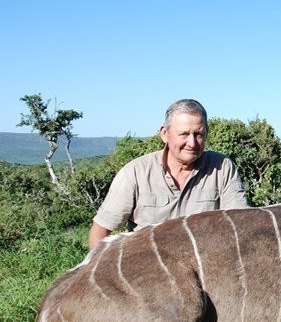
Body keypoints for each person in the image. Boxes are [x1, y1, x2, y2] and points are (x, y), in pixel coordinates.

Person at [88, 99, 248, 249]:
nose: (192, 143)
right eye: (184, 134)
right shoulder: (136, 172)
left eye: (198, 134)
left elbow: (240, 223)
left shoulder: (222, 167)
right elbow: (101, 229)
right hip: (150, 269)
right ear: (165, 133)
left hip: (204, 266)